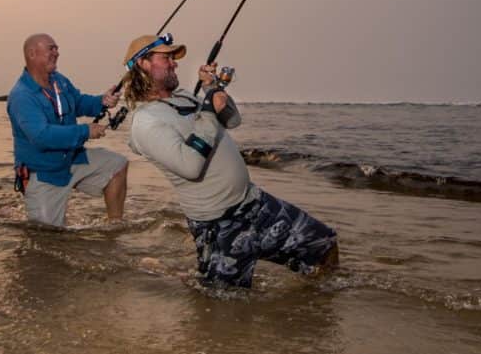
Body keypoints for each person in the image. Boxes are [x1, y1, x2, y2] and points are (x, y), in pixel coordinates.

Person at [122, 34, 338, 288]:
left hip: (254, 203)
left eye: (173, 58)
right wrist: (209, 111)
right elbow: (190, 167)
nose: (174, 63)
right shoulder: (145, 122)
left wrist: (212, 90)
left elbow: (233, 120)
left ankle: (310, 308)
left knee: (323, 245)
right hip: (218, 223)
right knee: (223, 309)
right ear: (143, 64)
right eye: (166, 58)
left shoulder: (183, 97)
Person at [7, 33, 128, 226]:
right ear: (32, 54)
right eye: (51, 48)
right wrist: (85, 131)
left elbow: (79, 102)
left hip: (72, 159)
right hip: (44, 173)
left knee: (117, 164)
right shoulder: (22, 96)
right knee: (46, 239)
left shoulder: (59, 81)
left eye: (57, 48)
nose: (56, 53)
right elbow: (42, 136)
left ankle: (115, 227)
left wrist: (102, 101)